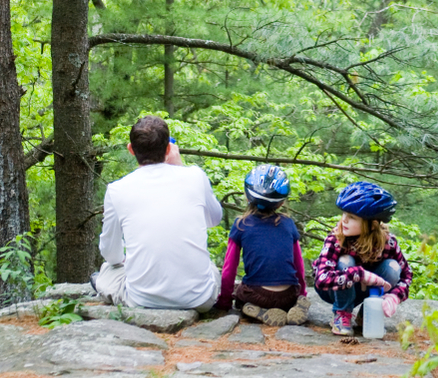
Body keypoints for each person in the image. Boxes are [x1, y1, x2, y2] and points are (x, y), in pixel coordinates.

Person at [92, 115, 222, 310]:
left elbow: (111, 255)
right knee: (211, 268)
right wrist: (180, 166)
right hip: (199, 300)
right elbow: (214, 219)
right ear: (169, 149)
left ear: (131, 150)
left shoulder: (117, 190)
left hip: (142, 301)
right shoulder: (196, 176)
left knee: (107, 270)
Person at [312, 182, 412, 335]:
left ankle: (368, 314)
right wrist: (359, 274)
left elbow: (406, 274)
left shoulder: (387, 242)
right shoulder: (336, 239)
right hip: (334, 290)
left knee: (393, 267)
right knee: (345, 261)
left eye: (351, 217)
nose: (343, 220)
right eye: (344, 214)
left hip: (367, 291)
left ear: (372, 225)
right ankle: (342, 313)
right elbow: (321, 278)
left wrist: (395, 295)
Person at [216, 164, 309, 327]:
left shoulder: (240, 225)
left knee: (239, 291)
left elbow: (229, 269)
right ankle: (294, 307)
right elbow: (299, 265)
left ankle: (253, 309)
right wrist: (301, 293)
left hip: (256, 295)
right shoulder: (288, 223)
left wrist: (224, 301)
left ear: (247, 196)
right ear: (281, 203)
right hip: (288, 296)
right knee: (279, 291)